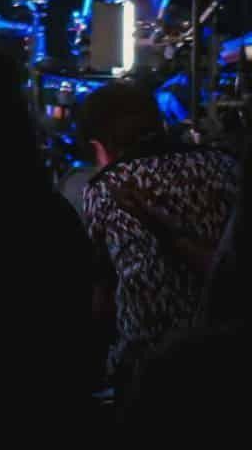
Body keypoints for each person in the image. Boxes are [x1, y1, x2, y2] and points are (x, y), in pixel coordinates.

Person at [77, 80, 237, 385]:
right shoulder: (225, 165)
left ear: (99, 148)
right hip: (231, 356)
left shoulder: (107, 187)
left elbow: (102, 300)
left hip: (148, 369)